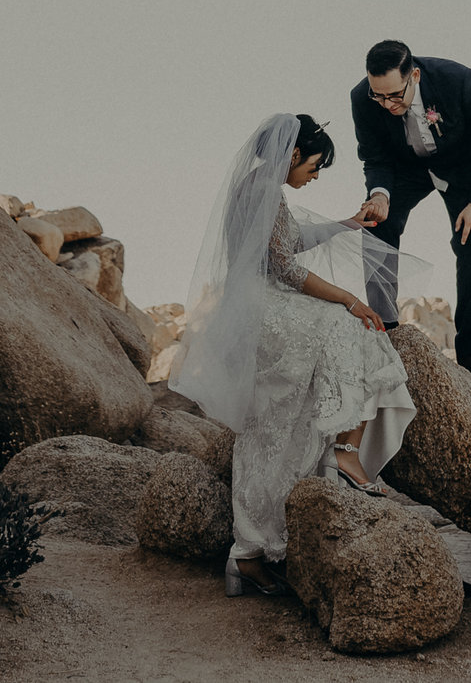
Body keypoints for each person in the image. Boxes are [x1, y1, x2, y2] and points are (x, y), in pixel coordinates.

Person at [172, 113, 419, 596]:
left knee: (277, 423)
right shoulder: (263, 190)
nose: (317, 174)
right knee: (351, 326)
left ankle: (247, 552)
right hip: (264, 305)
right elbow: (285, 267)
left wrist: (346, 225)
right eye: (316, 164)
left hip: (256, 302)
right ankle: (345, 455)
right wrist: (348, 297)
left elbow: (287, 242)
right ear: (292, 153)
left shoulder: (260, 188)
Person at [347, 40, 471, 377]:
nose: (387, 104)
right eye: (378, 96)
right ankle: (388, 335)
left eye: (395, 96)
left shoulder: (459, 80)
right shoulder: (362, 99)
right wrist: (379, 195)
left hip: (463, 168)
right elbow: (374, 156)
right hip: (404, 169)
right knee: (376, 228)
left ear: (415, 76)